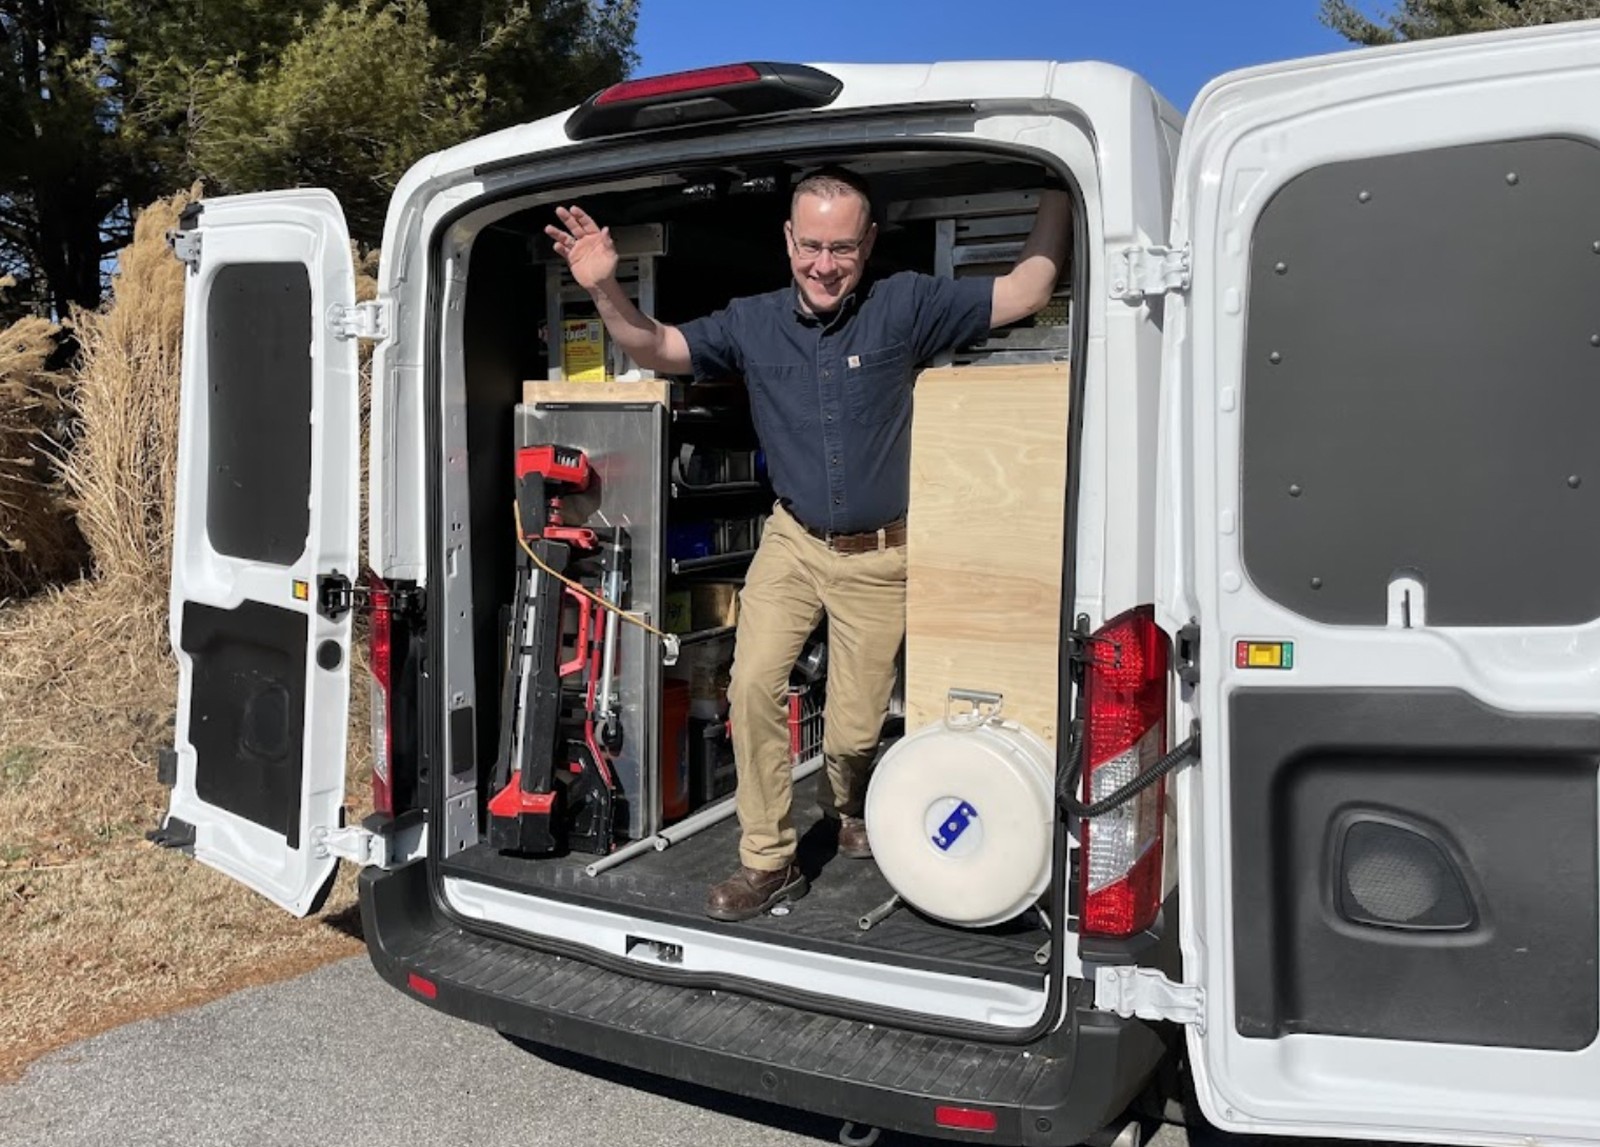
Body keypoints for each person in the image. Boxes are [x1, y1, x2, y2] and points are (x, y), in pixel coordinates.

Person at [545, 167, 1070, 921]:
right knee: (751, 683)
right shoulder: (751, 323)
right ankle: (771, 858)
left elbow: (1024, 291)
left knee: (855, 731)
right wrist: (602, 287)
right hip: (791, 542)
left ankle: (847, 796)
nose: (825, 265)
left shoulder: (907, 305)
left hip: (881, 558)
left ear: (868, 245)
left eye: (843, 249)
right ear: (788, 240)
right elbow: (653, 345)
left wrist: (1057, 184)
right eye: (812, 245)